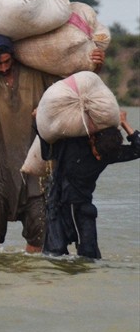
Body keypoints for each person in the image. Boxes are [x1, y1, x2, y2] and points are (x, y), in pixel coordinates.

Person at [0, 0, 105, 252]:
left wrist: (95, 64)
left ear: (13, 55)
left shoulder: (37, 72)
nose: (2, 67)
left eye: (5, 61)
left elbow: (77, 82)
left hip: (36, 170)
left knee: (37, 241)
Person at [40, 110, 140, 259]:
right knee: (53, 254)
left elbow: (138, 149)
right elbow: (47, 153)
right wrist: (37, 123)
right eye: (96, 152)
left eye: (102, 156)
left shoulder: (110, 152)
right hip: (58, 206)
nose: (99, 157)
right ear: (92, 140)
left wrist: (124, 123)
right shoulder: (72, 144)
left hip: (83, 208)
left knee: (90, 257)